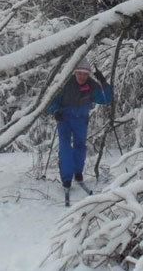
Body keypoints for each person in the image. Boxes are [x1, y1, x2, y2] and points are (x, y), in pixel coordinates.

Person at [47, 58, 113, 203]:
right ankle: (66, 179)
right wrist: (55, 111)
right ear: (75, 72)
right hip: (64, 119)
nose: (82, 77)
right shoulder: (65, 83)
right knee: (65, 148)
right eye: (79, 73)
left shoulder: (91, 85)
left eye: (85, 74)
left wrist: (103, 81)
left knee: (80, 147)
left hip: (81, 120)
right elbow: (52, 100)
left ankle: (78, 173)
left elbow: (105, 98)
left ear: (88, 74)